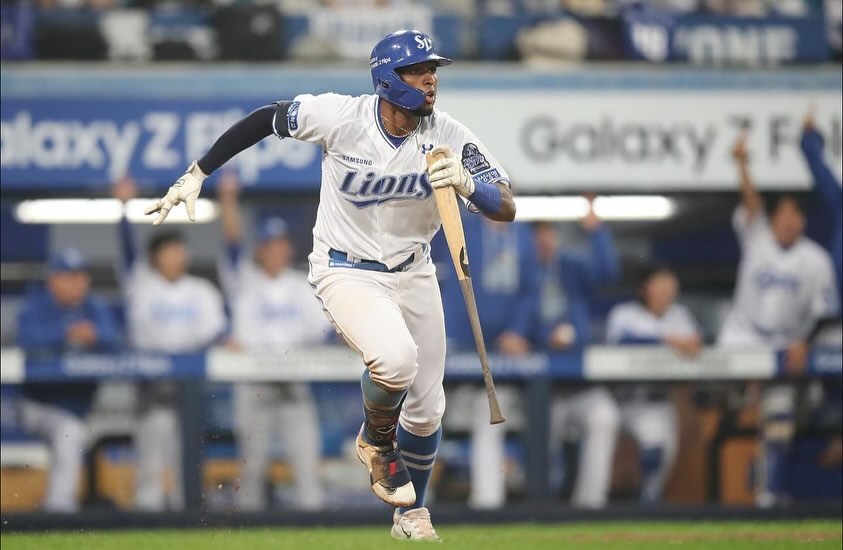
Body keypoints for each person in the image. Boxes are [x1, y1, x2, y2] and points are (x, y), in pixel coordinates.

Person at [143, 30, 516, 541]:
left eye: (432, 70)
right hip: (347, 269)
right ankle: (376, 439)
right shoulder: (342, 116)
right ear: (388, 78)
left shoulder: (448, 133)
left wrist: (470, 184)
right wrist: (199, 171)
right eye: (417, 70)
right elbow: (266, 118)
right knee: (396, 361)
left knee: (429, 411)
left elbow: (506, 205)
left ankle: (411, 514)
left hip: (414, 270)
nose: (430, 79)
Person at [719, 133, 839, 507]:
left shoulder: (816, 259)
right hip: (743, 337)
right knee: (719, 387)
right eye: (784, 214)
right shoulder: (758, 238)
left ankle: (766, 492)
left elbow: (824, 313)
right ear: (774, 218)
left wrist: (804, 342)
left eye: (796, 215)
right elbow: (751, 203)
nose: (790, 221)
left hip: (788, 345)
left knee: (782, 413)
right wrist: (742, 164)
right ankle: (737, 399)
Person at [217, 174, 333, 511]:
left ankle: (314, 525)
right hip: (254, 382)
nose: (277, 250)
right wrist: (228, 201)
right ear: (260, 250)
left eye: (282, 244)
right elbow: (232, 242)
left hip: (293, 382)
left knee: (306, 463)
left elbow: (323, 331)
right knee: (252, 467)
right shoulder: (243, 279)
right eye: (270, 244)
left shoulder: (302, 285)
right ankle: (247, 528)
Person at [112, 176, 227, 512]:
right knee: (151, 455)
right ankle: (148, 510)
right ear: (155, 257)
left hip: (190, 389)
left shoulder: (201, 290)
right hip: (152, 386)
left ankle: (185, 511)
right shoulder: (141, 284)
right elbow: (127, 252)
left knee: (186, 457)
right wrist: (123, 207)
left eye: (180, 251)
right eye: (169, 252)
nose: (177, 257)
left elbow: (216, 332)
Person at [433, 214, 539, 509]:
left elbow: (531, 292)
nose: (500, 198)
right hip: (456, 347)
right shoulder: (462, 225)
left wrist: (517, 331)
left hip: (500, 359)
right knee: (420, 411)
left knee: (490, 413)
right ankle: (410, 502)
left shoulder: (523, 235)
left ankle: (487, 508)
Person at [531, 201, 622, 509]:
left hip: (582, 383)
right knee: (543, 435)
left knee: (605, 417)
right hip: (542, 390)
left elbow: (607, 273)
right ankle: (540, 508)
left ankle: (590, 506)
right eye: (539, 237)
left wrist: (596, 231)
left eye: (549, 235)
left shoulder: (569, 267)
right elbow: (517, 323)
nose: (545, 242)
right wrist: (544, 336)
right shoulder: (524, 274)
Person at [16, 248, 121, 512]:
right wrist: (65, 333)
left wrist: (95, 335)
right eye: (69, 276)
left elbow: (116, 340)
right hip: (38, 404)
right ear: (53, 280)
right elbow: (28, 341)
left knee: (73, 429)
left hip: (81, 405)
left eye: (80, 276)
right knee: (70, 432)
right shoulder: (37, 305)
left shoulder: (94, 306)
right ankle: (59, 509)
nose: (77, 282)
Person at [605, 265, 702, 503]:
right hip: (620, 399)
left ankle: (647, 503)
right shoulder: (624, 313)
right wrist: (666, 340)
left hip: (656, 402)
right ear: (645, 288)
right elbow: (622, 340)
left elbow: (695, 341)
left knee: (658, 451)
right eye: (660, 284)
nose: (666, 290)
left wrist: (688, 342)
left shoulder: (679, 316)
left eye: (669, 285)